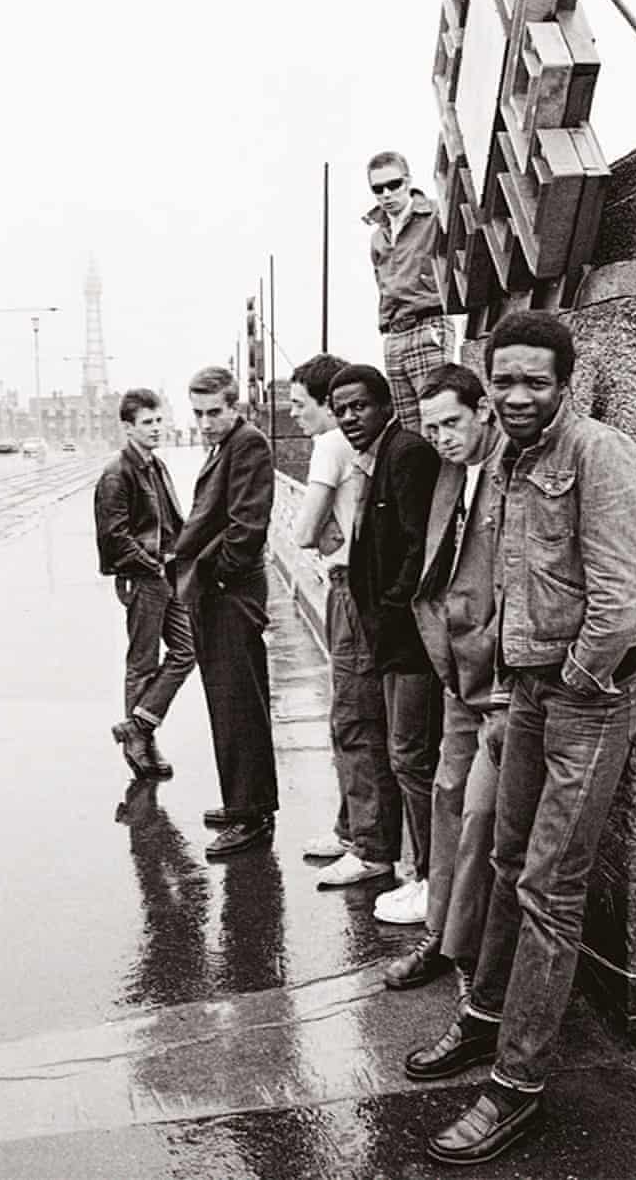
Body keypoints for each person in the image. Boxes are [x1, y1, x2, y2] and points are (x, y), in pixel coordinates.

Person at [405, 312, 636, 1167]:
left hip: (584, 696)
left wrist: (579, 679)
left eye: (534, 382)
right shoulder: (508, 459)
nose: (516, 396)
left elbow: (626, 595)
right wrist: (514, 681)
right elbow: (513, 583)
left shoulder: (597, 452)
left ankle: (519, 1083)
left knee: (551, 889)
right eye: (504, 380)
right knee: (510, 865)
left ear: (565, 384)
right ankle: (484, 1019)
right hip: (529, 691)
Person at [381, 364, 506, 984]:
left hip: (507, 685)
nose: (441, 438)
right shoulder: (451, 473)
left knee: (488, 820)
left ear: (484, 409)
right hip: (460, 675)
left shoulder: (513, 468)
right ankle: (442, 939)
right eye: (431, 427)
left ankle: (479, 964)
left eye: (452, 423)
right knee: (449, 800)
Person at [321, 364, 440, 897]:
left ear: (386, 405)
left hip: (409, 643)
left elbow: (420, 549)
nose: (349, 417)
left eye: (359, 406)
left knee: (412, 758)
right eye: (341, 409)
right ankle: (417, 872)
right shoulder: (378, 459)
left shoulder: (407, 454)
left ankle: (429, 878)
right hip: (392, 637)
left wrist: (390, 614)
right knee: (403, 755)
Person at [289, 353, 390, 868]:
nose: (293, 414)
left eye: (301, 403)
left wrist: (322, 528)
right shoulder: (360, 449)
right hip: (359, 586)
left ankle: (368, 846)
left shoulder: (330, 445)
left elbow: (305, 532)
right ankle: (352, 828)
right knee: (358, 712)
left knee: (352, 716)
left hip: (349, 588)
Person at [174, 366, 279, 859]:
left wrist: (216, 576)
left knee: (239, 703)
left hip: (229, 592)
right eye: (198, 414)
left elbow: (247, 525)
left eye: (215, 411)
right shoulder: (225, 445)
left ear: (235, 406)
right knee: (228, 700)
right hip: (218, 591)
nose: (206, 422)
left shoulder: (248, 443)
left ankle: (250, 813)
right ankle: (243, 801)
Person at [94, 388, 194, 779]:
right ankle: (140, 744)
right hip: (144, 577)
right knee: (142, 662)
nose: (157, 429)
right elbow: (114, 534)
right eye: (148, 423)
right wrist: (150, 565)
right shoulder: (117, 473)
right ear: (128, 428)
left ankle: (139, 725)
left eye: (159, 420)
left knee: (187, 651)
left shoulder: (156, 465)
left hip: (168, 574)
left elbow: (173, 520)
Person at [364, 150, 455, 434]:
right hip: (394, 334)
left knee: (441, 420)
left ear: (408, 181)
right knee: (410, 430)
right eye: (378, 189)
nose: (387, 194)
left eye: (394, 184)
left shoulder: (436, 215)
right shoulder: (378, 235)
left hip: (428, 324)